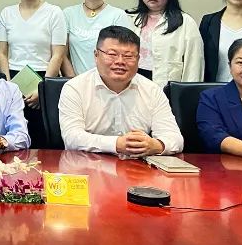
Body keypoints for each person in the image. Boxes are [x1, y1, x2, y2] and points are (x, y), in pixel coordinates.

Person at [58, 26, 183, 157]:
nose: (120, 61)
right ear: (96, 55)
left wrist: (156, 145)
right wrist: (117, 144)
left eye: (128, 56)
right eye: (112, 54)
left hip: (136, 166)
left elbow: (175, 138)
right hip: (86, 165)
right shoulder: (75, 88)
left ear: (138, 59)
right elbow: (72, 138)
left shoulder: (152, 90)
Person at [0, 0, 66, 148]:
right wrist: (8, 86)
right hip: (13, 79)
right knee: (12, 137)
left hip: (44, 77)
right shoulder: (7, 13)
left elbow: (58, 54)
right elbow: (1, 52)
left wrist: (43, 89)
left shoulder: (54, 13)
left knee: (42, 139)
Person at [125, 0, 204, 87]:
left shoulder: (185, 22)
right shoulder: (130, 18)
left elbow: (194, 64)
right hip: (133, 82)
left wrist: (189, 91)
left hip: (166, 85)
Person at [62, 0, 133, 77]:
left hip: (110, 80)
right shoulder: (68, 14)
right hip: (76, 81)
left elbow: (123, 54)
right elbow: (63, 54)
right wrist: (74, 81)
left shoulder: (118, 15)